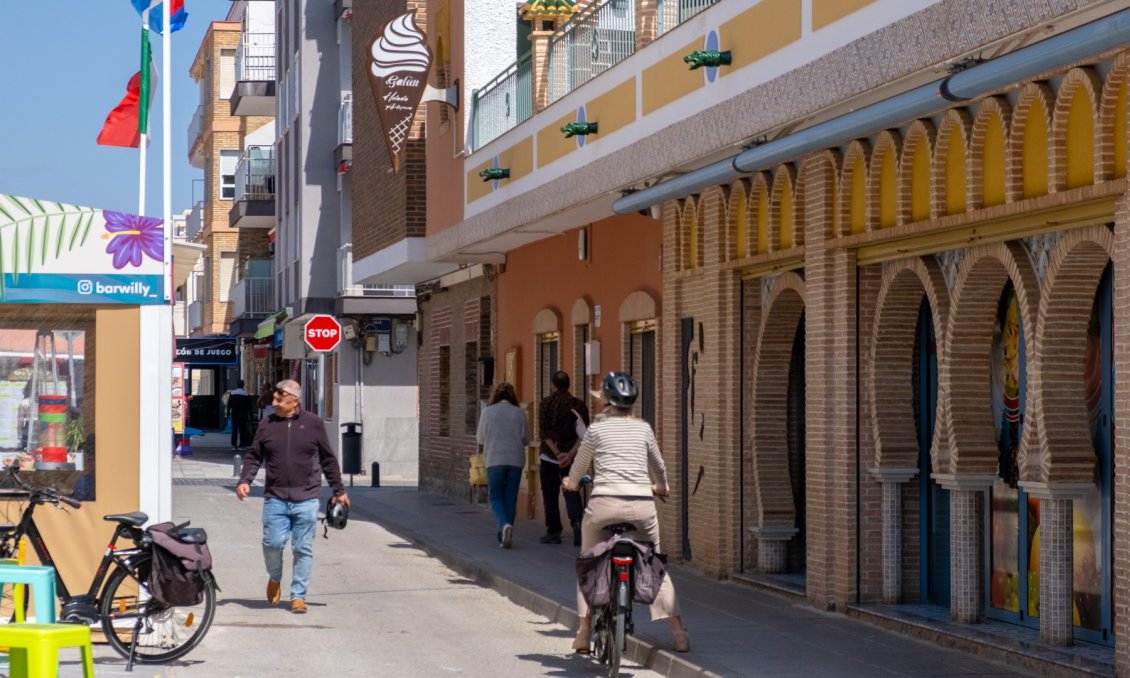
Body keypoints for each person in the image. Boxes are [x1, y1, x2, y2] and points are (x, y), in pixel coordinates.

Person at [563, 371, 689, 653]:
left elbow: (578, 469)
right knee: (654, 564)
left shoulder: (595, 430)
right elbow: (659, 466)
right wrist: (662, 487)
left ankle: (583, 631)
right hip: (641, 504)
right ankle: (679, 633)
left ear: (605, 401)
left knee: (588, 562)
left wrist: (571, 483)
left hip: (603, 504)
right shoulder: (644, 429)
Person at [235, 380, 350, 614]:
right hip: (275, 498)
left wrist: (338, 490)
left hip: (307, 498)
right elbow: (254, 455)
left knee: (302, 549)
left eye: (280, 398)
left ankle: (298, 595)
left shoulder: (313, 424)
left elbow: (328, 459)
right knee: (272, 544)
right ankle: (275, 577)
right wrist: (245, 480)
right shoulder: (267, 424)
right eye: (274, 397)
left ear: (294, 400)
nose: (274, 402)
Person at [537, 371, 588, 545]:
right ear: (569, 385)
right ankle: (577, 526)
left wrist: (556, 453)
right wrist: (570, 454)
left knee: (550, 494)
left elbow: (543, 433)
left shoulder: (545, 404)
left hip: (548, 456)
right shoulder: (578, 405)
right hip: (571, 458)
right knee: (572, 491)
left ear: (552, 385)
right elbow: (584, 436)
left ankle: (554, 531)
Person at [476, 382, 530, 549]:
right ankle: (506, 535)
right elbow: (526, 439)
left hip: (494, 459)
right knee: (510, 497)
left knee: (495, 497)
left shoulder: (487, 412)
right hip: (515, 460)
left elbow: (480, 438)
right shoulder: (519, 413)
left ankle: (504, 524)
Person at [227, 380, 252, 451]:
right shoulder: (246, 394)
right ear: (243, 385)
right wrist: (251, 414)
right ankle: (242, 445)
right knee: (242, 430)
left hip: (234, 414)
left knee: (234, 430)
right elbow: (249, 406)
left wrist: (228, 413)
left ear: (237, 385)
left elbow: (229, 404)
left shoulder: (232, 393)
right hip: (243, 415)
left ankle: (233, 445)